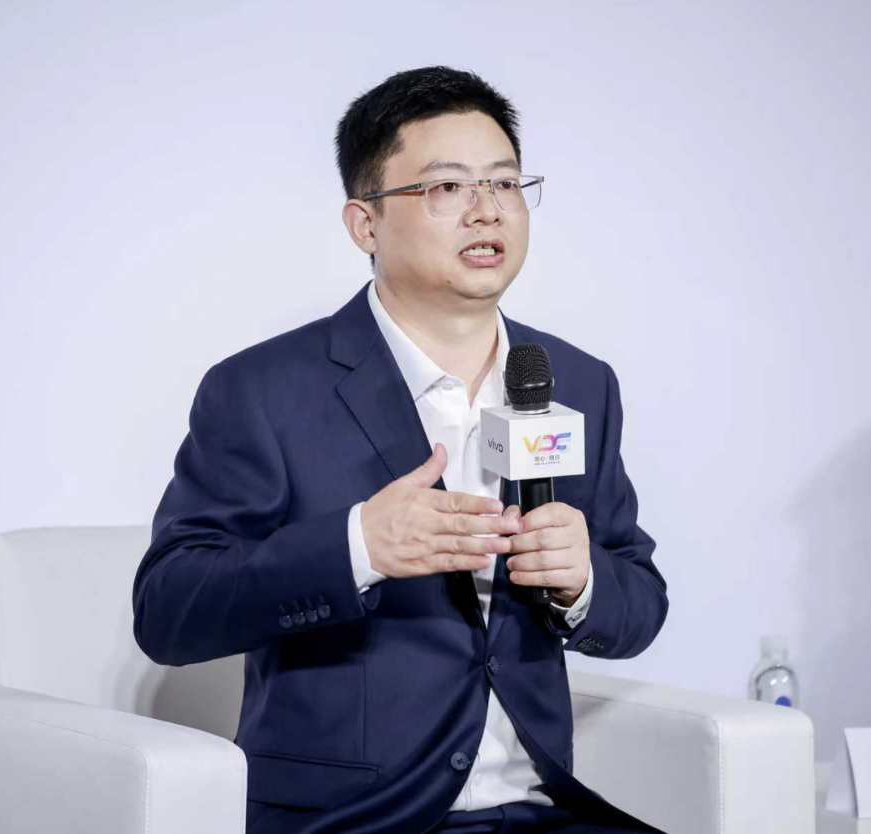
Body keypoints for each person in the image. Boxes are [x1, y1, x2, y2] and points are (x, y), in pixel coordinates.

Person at [132, 66, 669, 834]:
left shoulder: (579, 381)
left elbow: (641, 601)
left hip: (541, 808)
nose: (487, 210)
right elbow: (169, 610)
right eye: (447, 187)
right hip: (357, 819)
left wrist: (584, 579)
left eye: (505, 184)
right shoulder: (263, 390)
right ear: (366, 224)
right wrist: (358, 545)